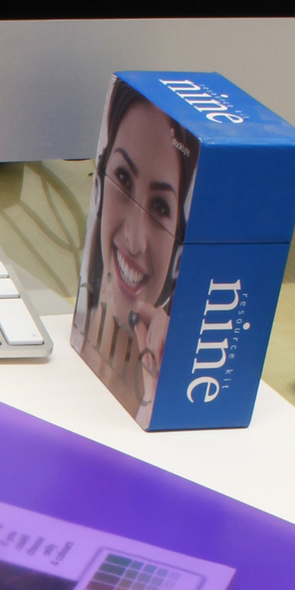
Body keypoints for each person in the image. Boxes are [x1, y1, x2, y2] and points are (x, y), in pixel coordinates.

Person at [73, 79, 200, 421]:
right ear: (98, 186)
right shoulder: (69, 352)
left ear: (179, 255)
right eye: (123, 180)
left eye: (160, 207)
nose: (134, 240)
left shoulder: (174, 395)